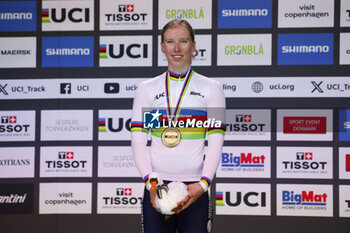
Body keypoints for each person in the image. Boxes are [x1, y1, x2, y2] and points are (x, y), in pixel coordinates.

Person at [131, 19, 226, 233]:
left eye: (183, 41)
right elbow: (138, 141)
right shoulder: (147, 89)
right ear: (162, 47)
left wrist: (203, 185)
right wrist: (151, 184)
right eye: (170, 42)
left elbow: (216, 141)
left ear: (193, 45)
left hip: (195, 188)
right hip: (157, 186)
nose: (176, 48)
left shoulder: (211, 88)